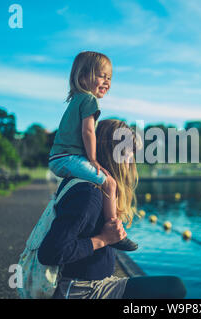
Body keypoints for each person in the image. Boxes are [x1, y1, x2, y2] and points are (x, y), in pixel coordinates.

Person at [38, 119, 187, 299]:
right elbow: (50, 252)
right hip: (81, 291)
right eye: (129, 153)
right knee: (174, 287)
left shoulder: (96, 187)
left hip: (96, 282)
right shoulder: (88, 193)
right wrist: (103, 239)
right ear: (114, 154)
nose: (131, 162)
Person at [48, 51, 137, 251]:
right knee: (110, 183)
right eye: (101, 76)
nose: (106, 81)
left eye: (109, 78)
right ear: (82, 77)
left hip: (60, 158)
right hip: (67, 158)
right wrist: (93, 160)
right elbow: (88, 131)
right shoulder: (89, 100)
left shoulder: (77, 100)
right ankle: (114, 228)